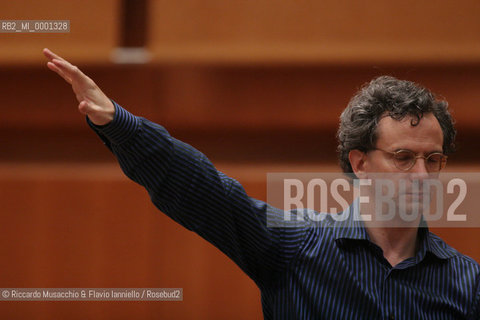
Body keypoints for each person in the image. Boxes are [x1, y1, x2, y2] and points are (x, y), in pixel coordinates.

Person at [43, 48, 479, 319]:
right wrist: (121, 124)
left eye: (434, 160)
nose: (423, 176)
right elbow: (205, 191)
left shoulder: (467, 282)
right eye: (404, 158)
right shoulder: (297, 246)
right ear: (361, 163)